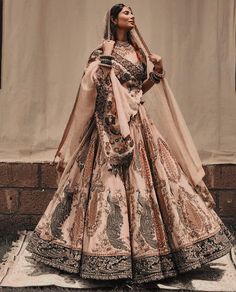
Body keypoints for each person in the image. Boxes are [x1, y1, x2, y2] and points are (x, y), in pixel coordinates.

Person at [26, 3, 234, 284]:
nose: (131, 16)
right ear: (114, 19)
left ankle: (157, 254)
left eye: (132, 12)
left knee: (158, 181)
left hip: (139, 123)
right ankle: (98, 254)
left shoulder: (139, 52)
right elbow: (97, 87)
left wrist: (157, 73)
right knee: (104, 188)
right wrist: (108, 57)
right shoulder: (101, 51)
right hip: (110, 128)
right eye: (125, 13)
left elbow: (138, 89)